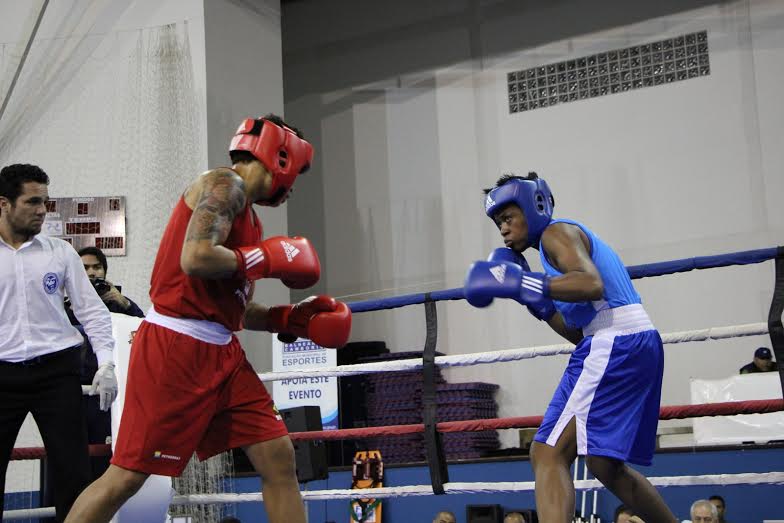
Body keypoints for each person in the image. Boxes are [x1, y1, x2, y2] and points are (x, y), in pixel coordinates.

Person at [64, 115, 352, 523]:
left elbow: (231, 308)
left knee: (278, 457)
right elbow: (195, 258)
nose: (292, 189)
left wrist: (286, 318)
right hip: (174, 349)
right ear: (280, 156)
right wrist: (266, 258)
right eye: (295, 174)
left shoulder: (251, 221)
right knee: (127, 476)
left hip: (223, 353)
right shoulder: (224, 185)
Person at [464, 172, 676, 522]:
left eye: (507, 217)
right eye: (497, 221)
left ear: (536, 205)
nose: (502, 229)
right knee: (604, 465)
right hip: (625, 343)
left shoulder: (555, 233)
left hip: (616, 344)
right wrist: (533, 300)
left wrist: (522, 280)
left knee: (548, 453)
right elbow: (581, 334)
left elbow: (590, 283)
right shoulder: (553, 262)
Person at [0, 164, 117, 522]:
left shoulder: (60, 252)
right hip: (1, 376)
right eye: (32, 201)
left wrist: (107, 362)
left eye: (45, 202)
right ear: (4, 203)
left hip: (56, 372)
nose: (42, 210)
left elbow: (92, 313)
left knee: (74, 476)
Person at [64, 246, 144, 479]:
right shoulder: (64, 305)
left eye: (96, 267)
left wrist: (124, 304)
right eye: (85, 267)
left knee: (109, 454)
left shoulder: (120, 303)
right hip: (76, 391)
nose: (91, 272)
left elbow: (146, 332)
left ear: (105, 271)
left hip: (112, 391)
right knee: (73, 455)